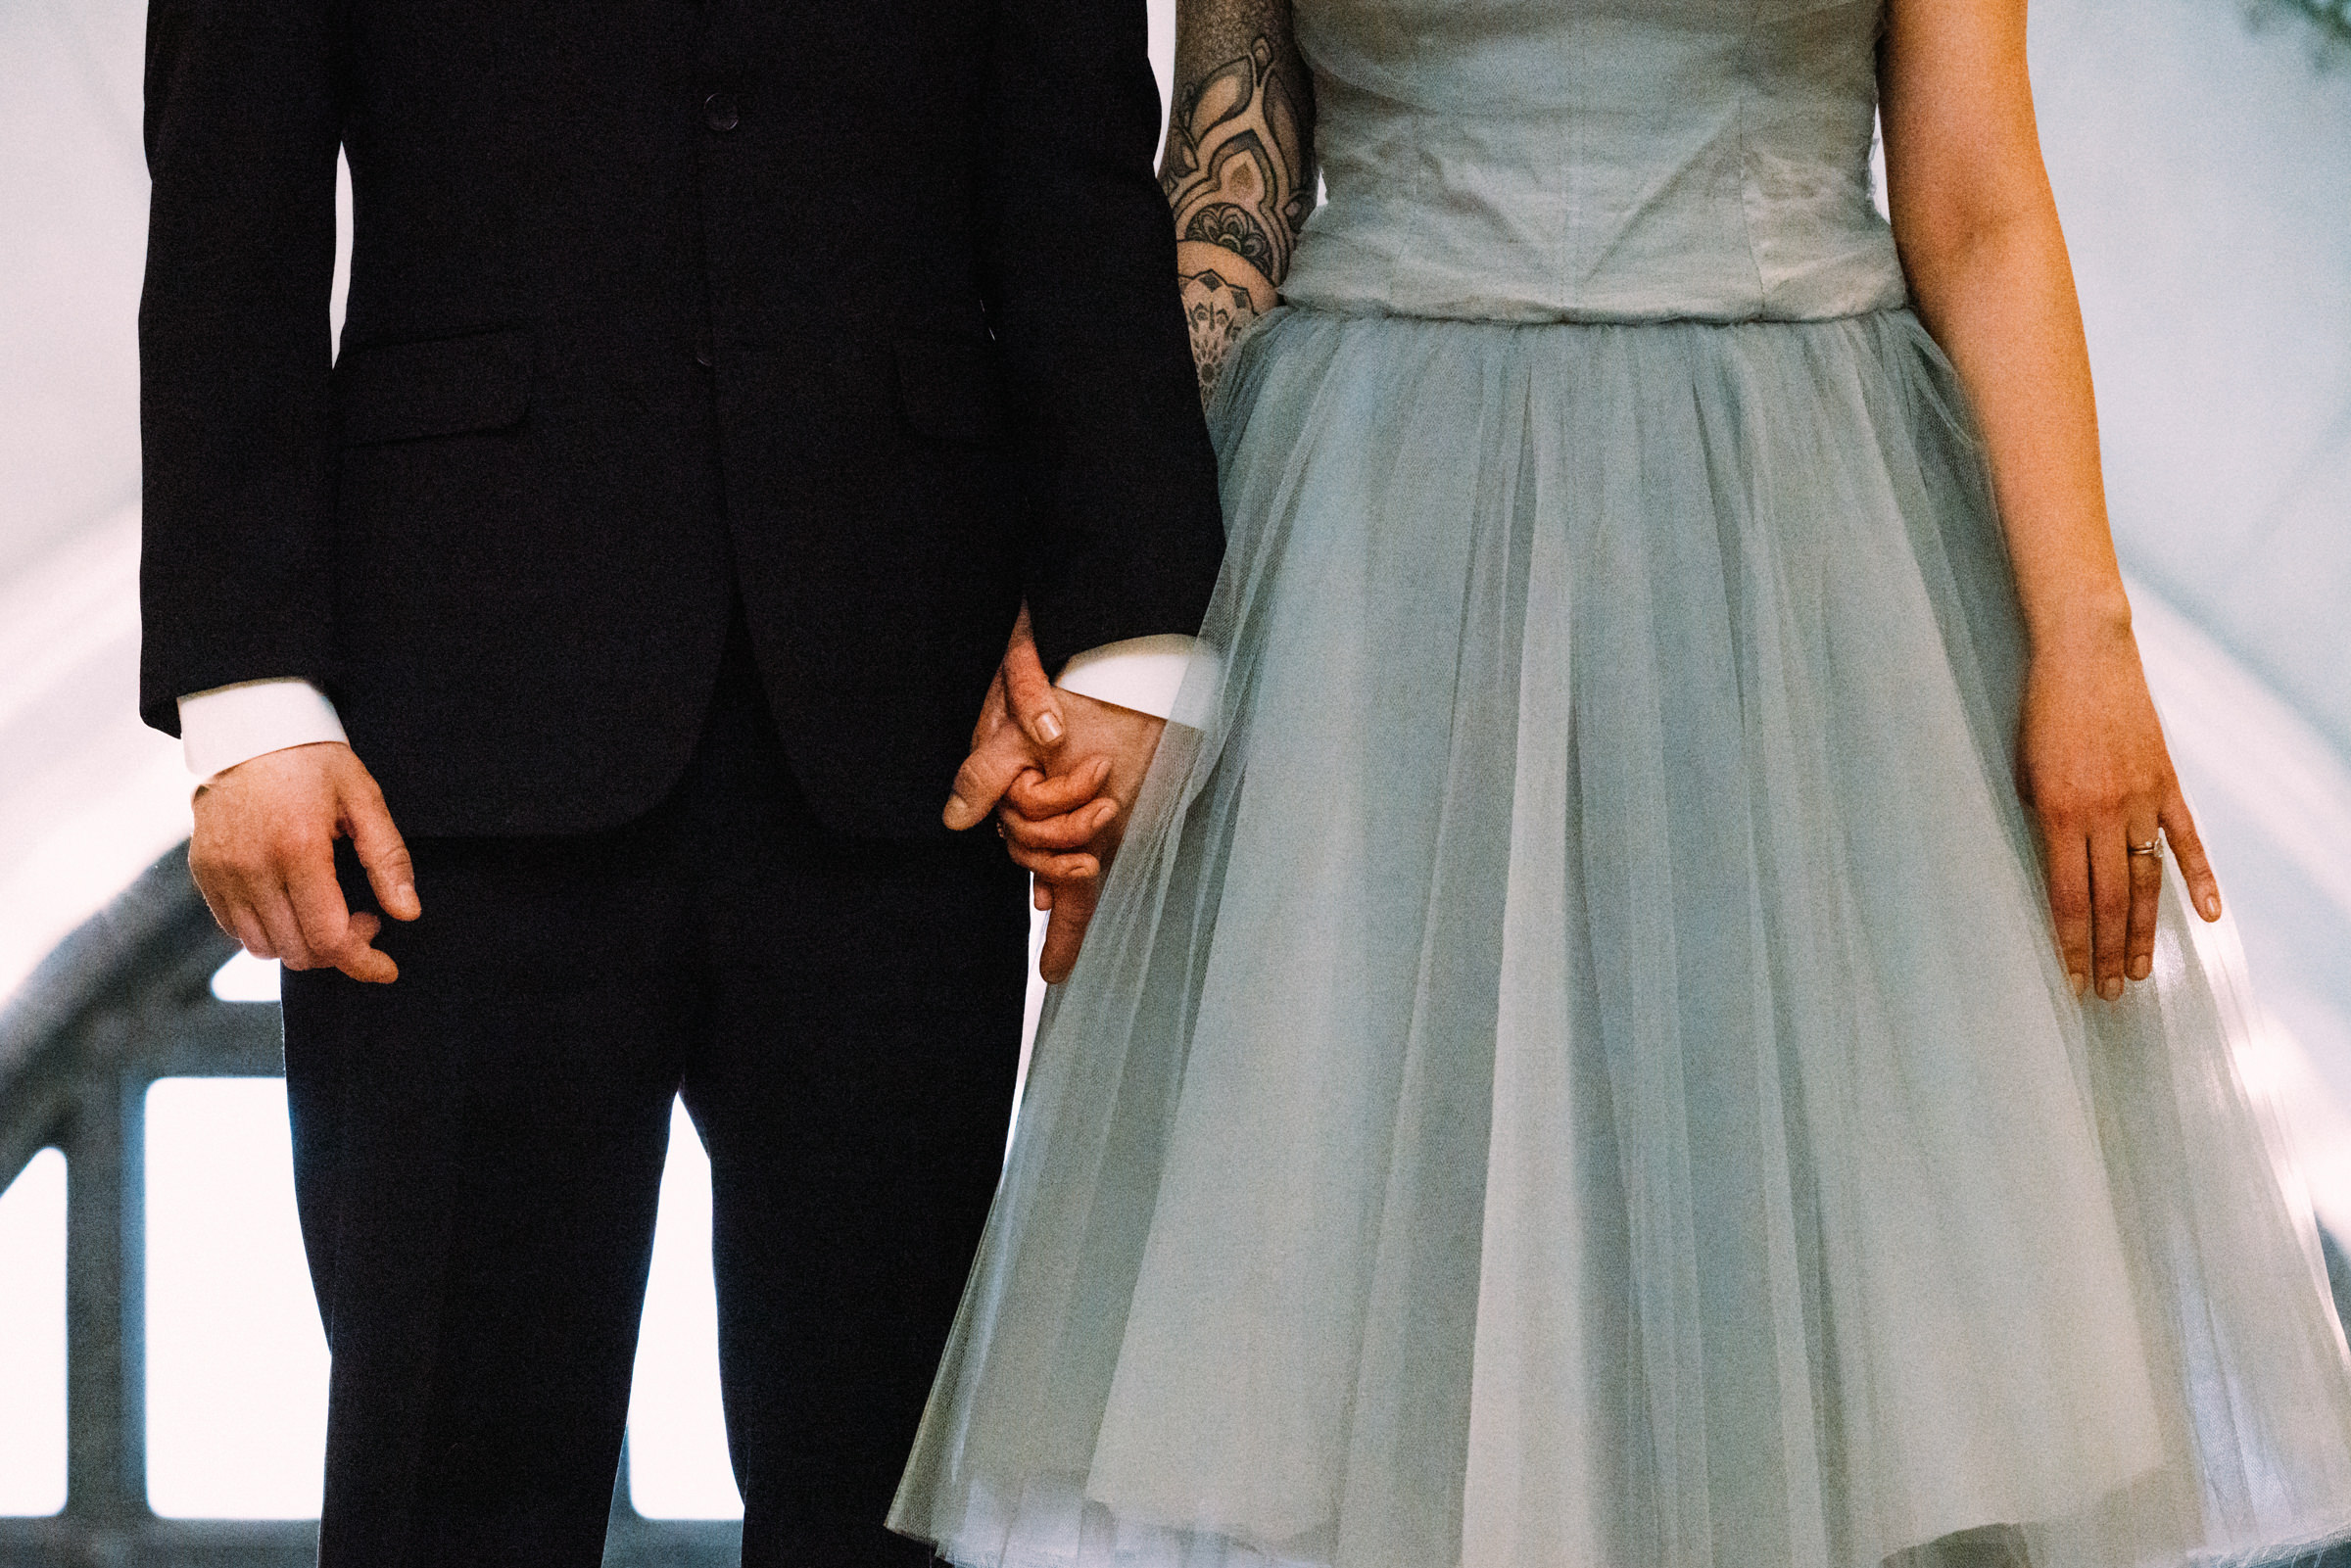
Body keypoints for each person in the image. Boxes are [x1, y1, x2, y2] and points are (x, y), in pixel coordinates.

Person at [890, 0, 2351, 1564]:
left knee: (1812, 1295)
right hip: (1374, 576)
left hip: (1800, 561)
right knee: (1395, 1298)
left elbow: (1980, 204)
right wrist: (1130, 619)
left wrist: (2087, 636)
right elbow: (1229, 180)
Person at [134, 0, 1222, 1560]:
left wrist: (1132, 630)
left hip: (907, 706)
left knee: (892, 1494)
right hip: (453, 723)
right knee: (450, 1483)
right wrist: (246, 694)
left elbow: (1078, 168)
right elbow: (229, 176)